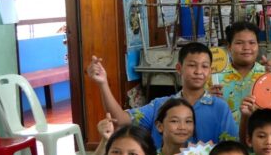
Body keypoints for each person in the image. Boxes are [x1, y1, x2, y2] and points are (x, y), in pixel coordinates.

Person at [87, 42, 238, 148]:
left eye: (204, 66)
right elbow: (120, 119)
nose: (198, 71)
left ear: (210, 71)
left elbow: (231, 147)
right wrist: (103, 83)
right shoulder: (160, 105)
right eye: (192, 65)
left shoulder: (220, 107)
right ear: (179, 68)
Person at [212, 22, 270, 127]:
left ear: (258, 45)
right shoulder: (214, 78)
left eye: (252, 42)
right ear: (229, 47)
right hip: (224, 136)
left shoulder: (268, 75)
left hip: (259, 136)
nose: (246, 47)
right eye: (239, 43)